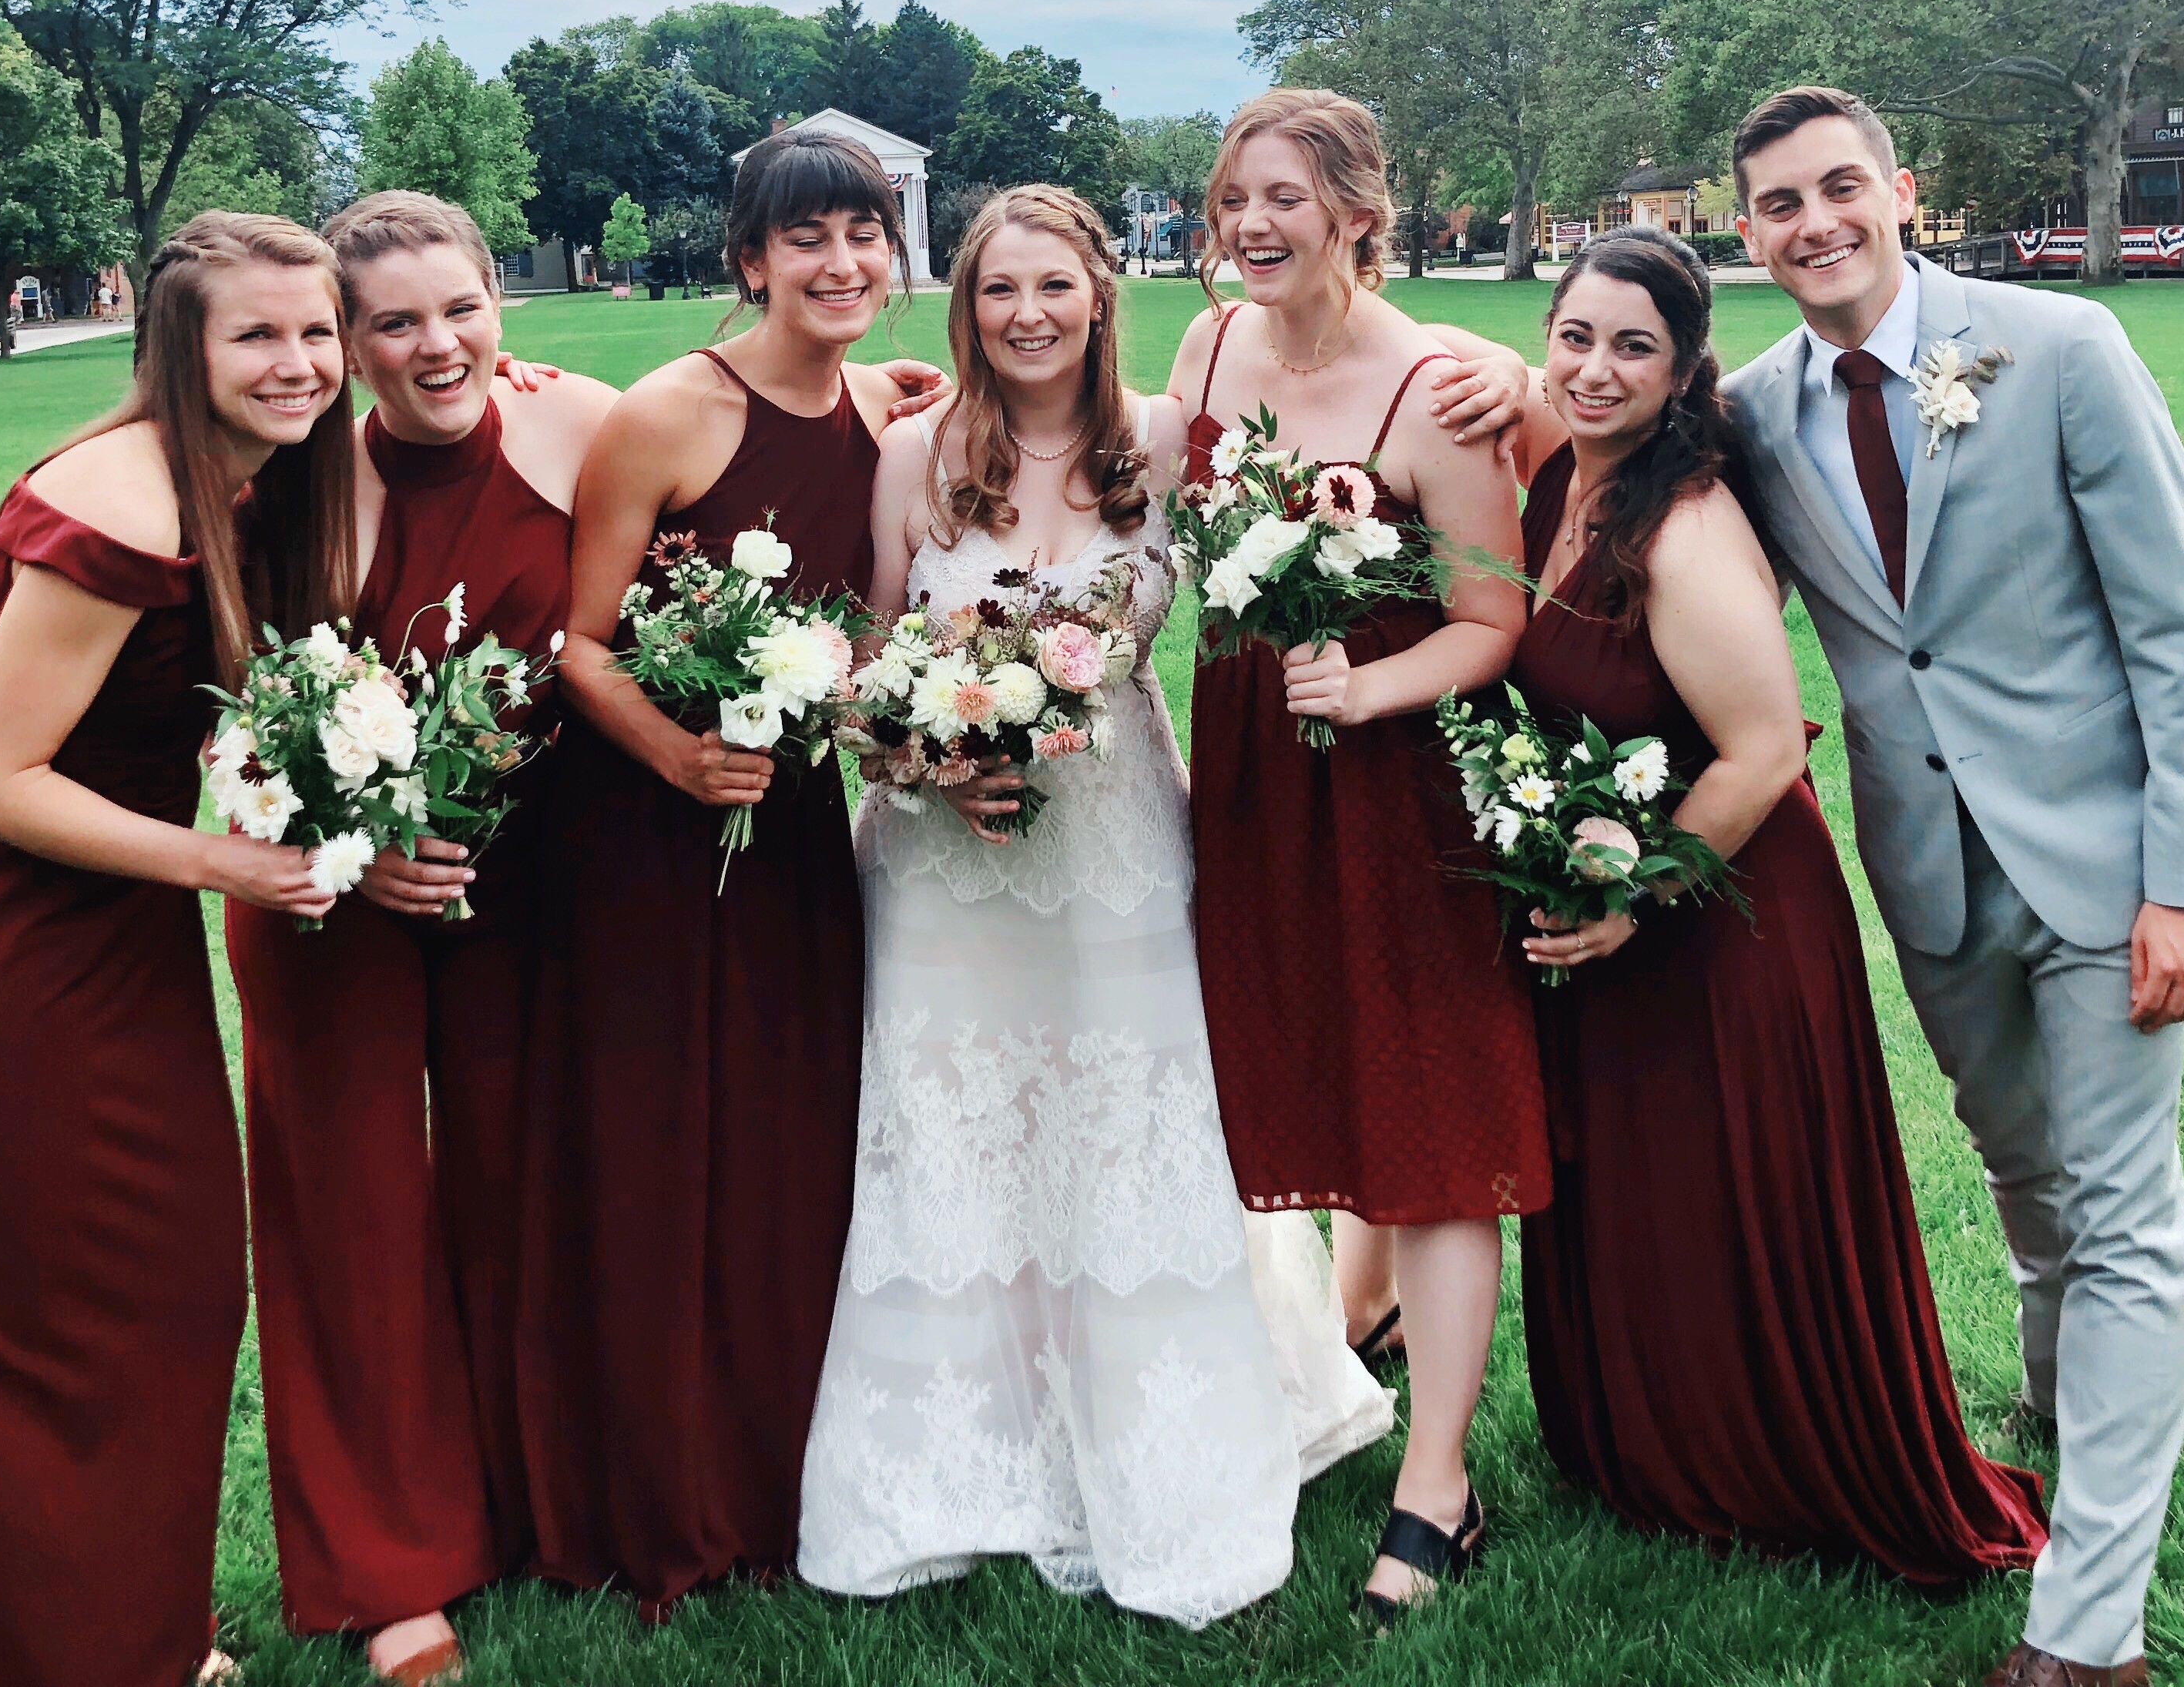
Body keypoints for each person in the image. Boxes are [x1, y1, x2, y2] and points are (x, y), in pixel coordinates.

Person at [797, 186, 1392, 1627]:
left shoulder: (1174, 440)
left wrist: (1479, 382)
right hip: (943, 872)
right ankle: (955, 1468)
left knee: (1131, 1125)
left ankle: (1165, 1450)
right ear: (966, 301)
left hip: (1117, 842)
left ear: (1101, 287)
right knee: (953, 1134)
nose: (1028, 315)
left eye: (1054, 284)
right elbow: (864, 661)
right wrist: (923, 754)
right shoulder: (911, 452)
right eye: (1000, 289)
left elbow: (1341, 413)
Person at [1719, 88, 2184, 1687]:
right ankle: (2064, 1398)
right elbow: (1606, 458)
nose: (1813, 225)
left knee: (2125, 1214)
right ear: (1745, 231)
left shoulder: (2058, 348)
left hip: (2106, 862)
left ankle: (2091, 1636)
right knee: (2023, 1175)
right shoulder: (1750, 412)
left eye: (1838, 189)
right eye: (1777, 205)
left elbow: (2175, 624)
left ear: (1902, 189)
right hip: (1932, 875)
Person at [1499, 226, 2049, 1588]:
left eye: (1635, 347)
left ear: (1689, 371)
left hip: (1726, 911)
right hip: (1620, 878)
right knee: (1641, 1187)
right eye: (1576, 336)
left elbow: (1757, 749)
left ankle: (1774, 1455)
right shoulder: (1555, 473)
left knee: (1733, 1194)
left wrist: (1635, 896)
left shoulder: (1681, 523)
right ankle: (1649, 1438)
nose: (1595, 368)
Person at [0, 213, 357, 1687]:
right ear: (180, 346)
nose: (301, 363)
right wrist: (228, 865)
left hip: (117, 953)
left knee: (163, 1299)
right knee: (51, 1334)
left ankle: (128, 1628)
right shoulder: (124, 501)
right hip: (11, 969)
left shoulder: (248, 484)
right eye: (257, 335)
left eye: (317, 331)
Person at [515, 126, 921, 1615]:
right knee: (670, 1144)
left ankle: (789, 1466)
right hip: (654, 830)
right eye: (806, 240)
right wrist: (680, 761)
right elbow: (581, 643)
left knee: (791, 1140)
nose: (841, 265)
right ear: (749, 260)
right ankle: (663, 1483)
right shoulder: (670, 414)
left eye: (863, 236)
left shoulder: (887, 406)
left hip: (799, 823)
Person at [222, 193, 616, 1686]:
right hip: (339, 903)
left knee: (526, 1190)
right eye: (391, 322)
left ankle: (525, 1496)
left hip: (538, 889)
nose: (435, 344)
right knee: (358, 1217)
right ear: (347, 343)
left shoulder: (575, 421)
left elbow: (743, 432)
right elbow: (229, 712)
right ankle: (385, 1570)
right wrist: (350, 845)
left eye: (462, 307)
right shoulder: (287, 491)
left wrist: (889, 389)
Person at [1164, 89, 1535, 1629]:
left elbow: (1496, 612)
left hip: (1399, 786)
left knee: (1438, 1120)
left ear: (1359, 218)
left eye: (1286, 200)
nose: (1254, 226)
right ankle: (1349, 1339)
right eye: (1235, 199)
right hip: (1258, 770)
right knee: (1303, 1073)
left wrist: (1372, 686)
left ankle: (1439, 1483)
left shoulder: (1439, 389)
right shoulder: (1204, 352)